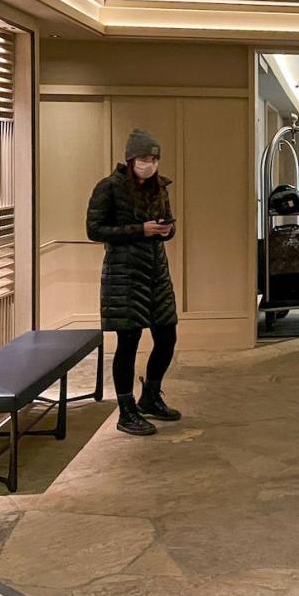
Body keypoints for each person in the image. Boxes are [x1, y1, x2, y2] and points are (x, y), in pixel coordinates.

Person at [85, 129, 183, 436]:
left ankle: (151, 396)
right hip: (124, 275)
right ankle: (126, 410)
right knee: (128, 342)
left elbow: (168, 222)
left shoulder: (159, 188)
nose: (149, 164)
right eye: (144, 158)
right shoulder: (109, 188)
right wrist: (141, 229)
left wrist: (166, 230)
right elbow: (95, 229)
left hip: (156, 273)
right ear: (130, 159)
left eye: (153, 158)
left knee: (167, 337)